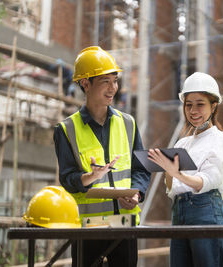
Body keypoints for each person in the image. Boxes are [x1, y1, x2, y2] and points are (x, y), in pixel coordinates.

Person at [53, 46, 151, 267]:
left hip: (126, 226)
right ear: (85, 83)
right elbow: (68, 179)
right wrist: (87, 178)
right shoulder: (66, 129)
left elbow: (141, 169)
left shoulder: (129, 123)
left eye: (115, 81)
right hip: (88, 228)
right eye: (105, 81)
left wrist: (137, 195)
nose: (113, 88)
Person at [148, 72, 223, 267]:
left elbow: (207, 181)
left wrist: (176, 172)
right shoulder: (183, 142)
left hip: (207, 212)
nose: (193, 110)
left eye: (200, 104)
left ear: (213, 106)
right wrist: (168, 171)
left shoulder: (220, 139)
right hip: (179, 213)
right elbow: (171, 189)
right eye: (188, 105)